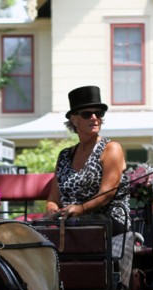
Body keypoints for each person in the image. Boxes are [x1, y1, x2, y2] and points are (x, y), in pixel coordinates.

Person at [46, 85, 130, 234]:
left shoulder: (111, 148)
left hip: (109, 222)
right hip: (70, 223)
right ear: (74, 119)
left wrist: (81, 209)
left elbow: (107, 194)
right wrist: (52, 210)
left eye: (98, 113)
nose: (94, 118)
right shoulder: (65, 155)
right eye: (87, 114)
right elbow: (53, 198)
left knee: (73, 226)